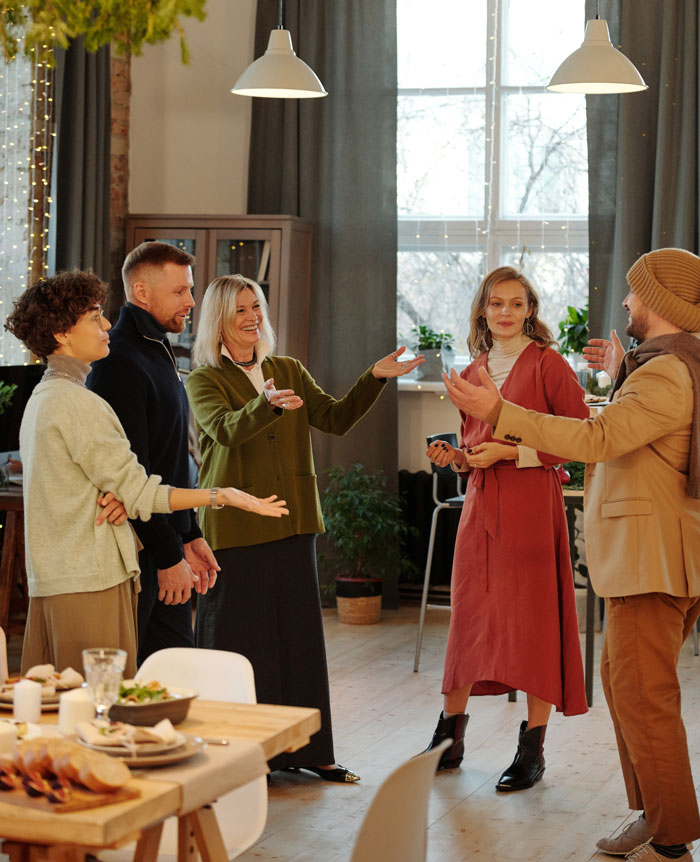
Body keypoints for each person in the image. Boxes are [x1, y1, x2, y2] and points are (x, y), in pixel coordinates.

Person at [443, 248, 700, 862]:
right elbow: (640, 433)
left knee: (644, 695)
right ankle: (654, 814)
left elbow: (598, 438)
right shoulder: (666, 366)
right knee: (625, 684)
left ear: (659, 303)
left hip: (654, 559)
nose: (626, 303)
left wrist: (499, 413)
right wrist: (621, 372)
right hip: (652, 557)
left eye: (635, 294)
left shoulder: (666, 372)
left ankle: (671, 838)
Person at [185, 274, 423, 783]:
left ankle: (313, 752)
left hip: (294, 522)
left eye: (256, 307)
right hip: (236, 528)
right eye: (240, 311)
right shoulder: (202, 379)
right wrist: (265, 404)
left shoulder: (286, 367)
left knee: (299, 643)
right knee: (240, 645)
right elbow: (224, 431)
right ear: (219, 322)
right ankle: (242, 757)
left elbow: (334, 419)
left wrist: (374, 378)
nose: (252, 317)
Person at [3, 271, 288, 677]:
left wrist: (127, 498)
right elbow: (141, 491)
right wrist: (220, 495)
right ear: (63, 332)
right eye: (95, 316)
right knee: (103, 707)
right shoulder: (77, 403)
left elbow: (102, 486)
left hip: (64, 578)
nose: (107, 325)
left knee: (65, 709)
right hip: (90, 580)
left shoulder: (47, 396)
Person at [421, 266, 589, 790]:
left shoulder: (550, 365)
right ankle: (449, 739)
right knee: (469, 619)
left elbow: (581, 437)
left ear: (530, 311)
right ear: (483, 311)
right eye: (496, 304)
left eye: (516, 304)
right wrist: (457, 458)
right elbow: (476, 450)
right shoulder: (470, 375)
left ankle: (532, 748)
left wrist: (515, 453)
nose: (506, 313)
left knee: (534, 624)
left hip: (531, 506)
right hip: (481, 507)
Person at [88, 242, 216, 665]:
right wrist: (167, 554)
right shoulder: (118, 359)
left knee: (178, 674)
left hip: (167, 542)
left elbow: (173, 459)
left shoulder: (159, 349)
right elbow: (134, 473)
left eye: (190, 290)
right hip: (140, 552)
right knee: (137, 677)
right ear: (142, 292)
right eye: (179, 291)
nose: (191, 301)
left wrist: (190, 534)